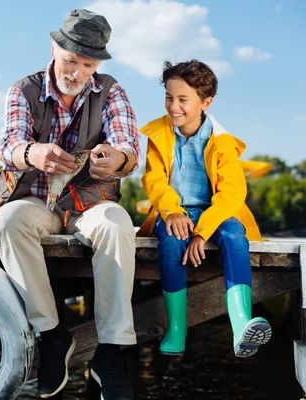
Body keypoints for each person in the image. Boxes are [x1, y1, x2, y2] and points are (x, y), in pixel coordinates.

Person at [0, 9, 141, 399]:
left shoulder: (111, 91)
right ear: (54, 48)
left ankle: (112, 351)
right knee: (7, 220)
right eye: (72, 60)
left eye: (87, 64)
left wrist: (115, 160)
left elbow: (129, 149)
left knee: (117, 223)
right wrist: (31, 153)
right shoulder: (22, 90)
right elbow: (7, 148)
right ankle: (52, 335)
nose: (77, 72)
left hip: (89, 205)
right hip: (34, 201)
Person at [137, 60, 272, 358]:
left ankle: (241, 325)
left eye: (183, 100)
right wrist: (172, 212)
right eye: (169, 98)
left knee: (236, 236)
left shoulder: (222, 142)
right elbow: (154, 179)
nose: (174, 106)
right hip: (174, 211)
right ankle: (177, 328)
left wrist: (201, 233)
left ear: (205, 102)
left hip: (216, 214)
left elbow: (232, 194)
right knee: (171, 242)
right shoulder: (159, 134)